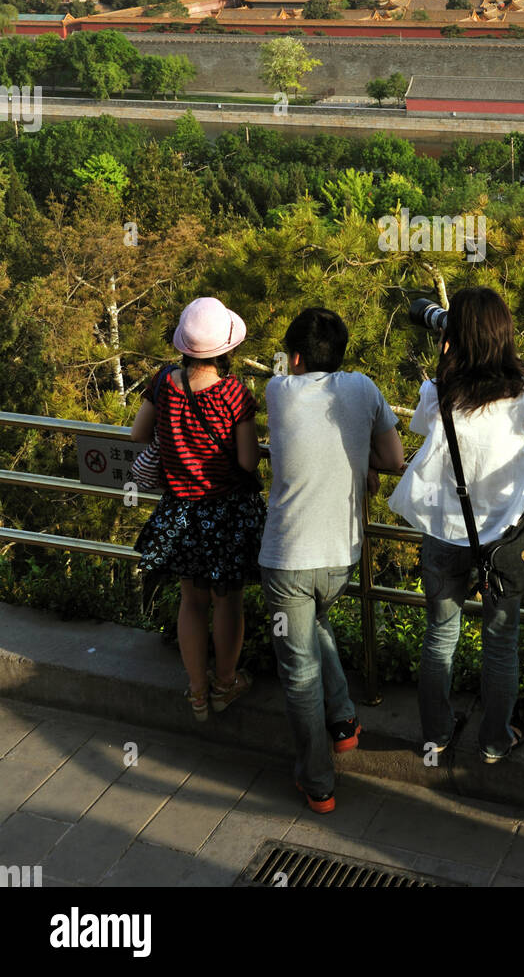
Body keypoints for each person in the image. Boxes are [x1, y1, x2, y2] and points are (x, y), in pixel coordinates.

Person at [259, 307, 403, 815]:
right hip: (342, 558)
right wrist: (358, 460)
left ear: (294, 358)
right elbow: (393, 458)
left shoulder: (277, 391)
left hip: (288, 560)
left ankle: (317, 781)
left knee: (298, 672)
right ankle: (343, 720)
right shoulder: (364, 389)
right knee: (315, 622)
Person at [389, 286, 524, 764]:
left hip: (442, 533)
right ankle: (495, 741)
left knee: (440, 636)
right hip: (504, 539)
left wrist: (446, 354)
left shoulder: (437, 392)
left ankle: (436, 733)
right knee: (500, 644)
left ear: (452, 337)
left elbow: (421, 428)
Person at [132, 297, 265, 723]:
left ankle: (196, 692)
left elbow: (138, 433)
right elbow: (246, 462)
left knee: (191, 600)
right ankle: (226, 684)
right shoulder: (234, 394)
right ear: (227, 348)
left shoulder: (163, 382)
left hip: (180, 511)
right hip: (226, 513)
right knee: (227, 601)